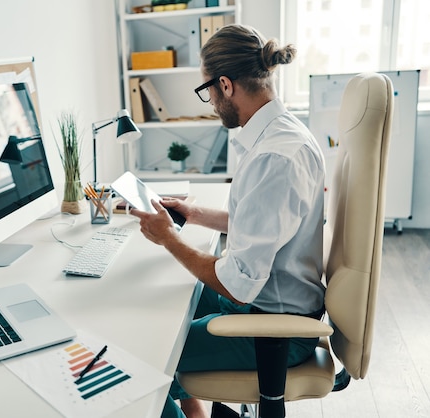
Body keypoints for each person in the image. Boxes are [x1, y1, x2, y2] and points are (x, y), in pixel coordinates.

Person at [130, 24, 326, 418]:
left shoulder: (274, 157)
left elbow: (237, 286)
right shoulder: (280, 135)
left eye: (207, 92)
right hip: (272, 300)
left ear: (226, 84)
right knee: (161, 299)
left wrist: (170, 239)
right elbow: (263, 225)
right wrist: (196, 215)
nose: (210, 103)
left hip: (275, 329)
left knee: (145, 354)